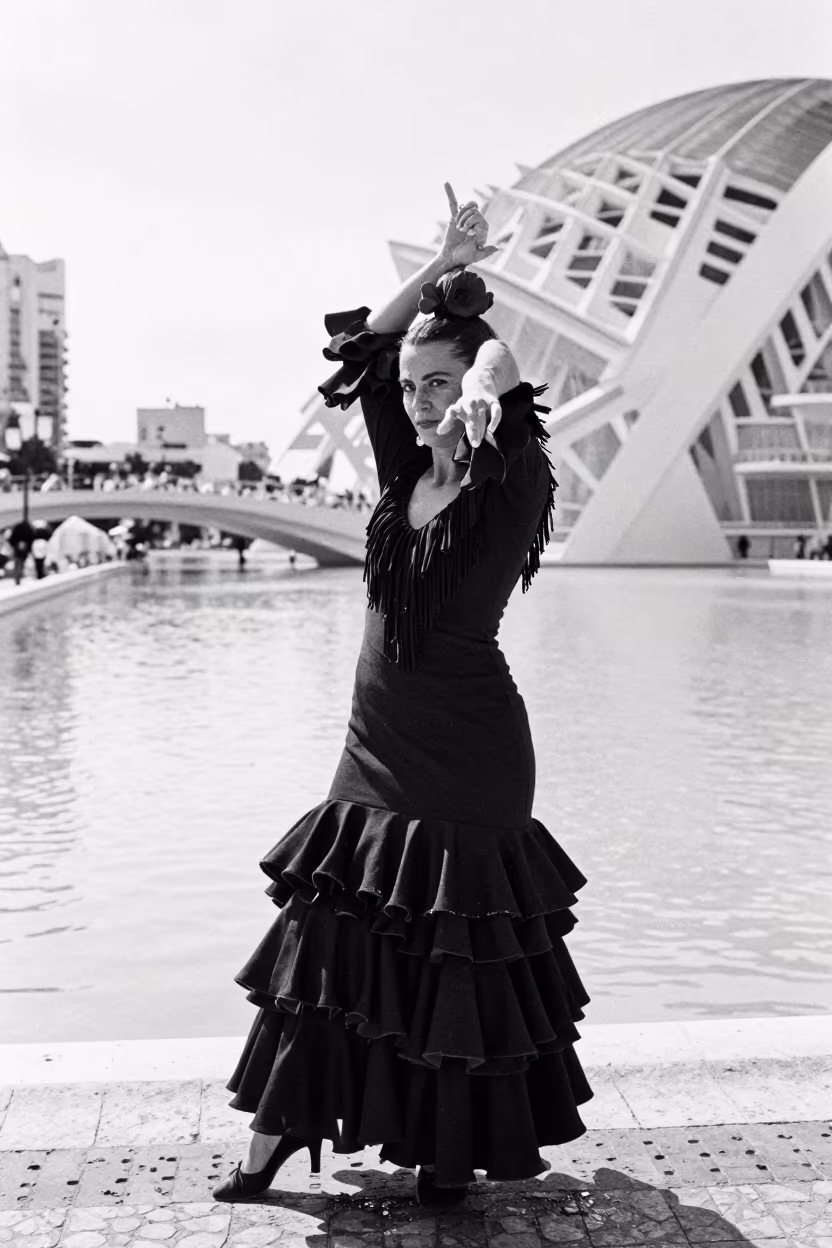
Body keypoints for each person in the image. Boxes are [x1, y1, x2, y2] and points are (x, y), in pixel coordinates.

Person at [215, 186, 592, 1210]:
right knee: (328, 938)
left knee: (453, 947)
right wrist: (438, 267)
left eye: (443, 385)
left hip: (471, 750)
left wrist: (486, 385)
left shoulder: (509, 478)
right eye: (418, 387)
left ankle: (444, 1146)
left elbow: (502, 366)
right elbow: (370, 354)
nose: (424, 401)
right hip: (374, 740)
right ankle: (274, 1137)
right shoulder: (396, 471)